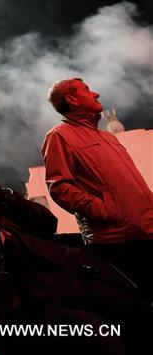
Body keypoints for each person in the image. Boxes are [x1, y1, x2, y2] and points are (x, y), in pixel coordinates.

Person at [0, 143, 148, 353]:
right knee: (94, 333)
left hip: (49, 289)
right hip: (12, 318)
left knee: (135, 310)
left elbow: (46, 223)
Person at [43, 78, 153, 300]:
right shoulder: (59, 136)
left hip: (146, 231)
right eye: (87, 90)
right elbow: (59, 187)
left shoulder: (106, 137)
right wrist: (103, 211)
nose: (96, 94)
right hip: (116, 241)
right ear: (72, 100)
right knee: (137, 308)